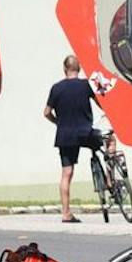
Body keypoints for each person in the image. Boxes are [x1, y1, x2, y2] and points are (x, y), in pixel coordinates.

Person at [45, 55, 100, 223]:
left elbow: (46, 112)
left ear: (64, 69)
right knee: (109, 141)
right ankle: (111, 181)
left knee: (66, 173)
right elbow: (101, 104)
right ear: (79, 68)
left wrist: (58, 123)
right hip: (86, 132)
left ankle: (66, 213)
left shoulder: (56, 88)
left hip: (65, 134)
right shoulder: (86, 85)